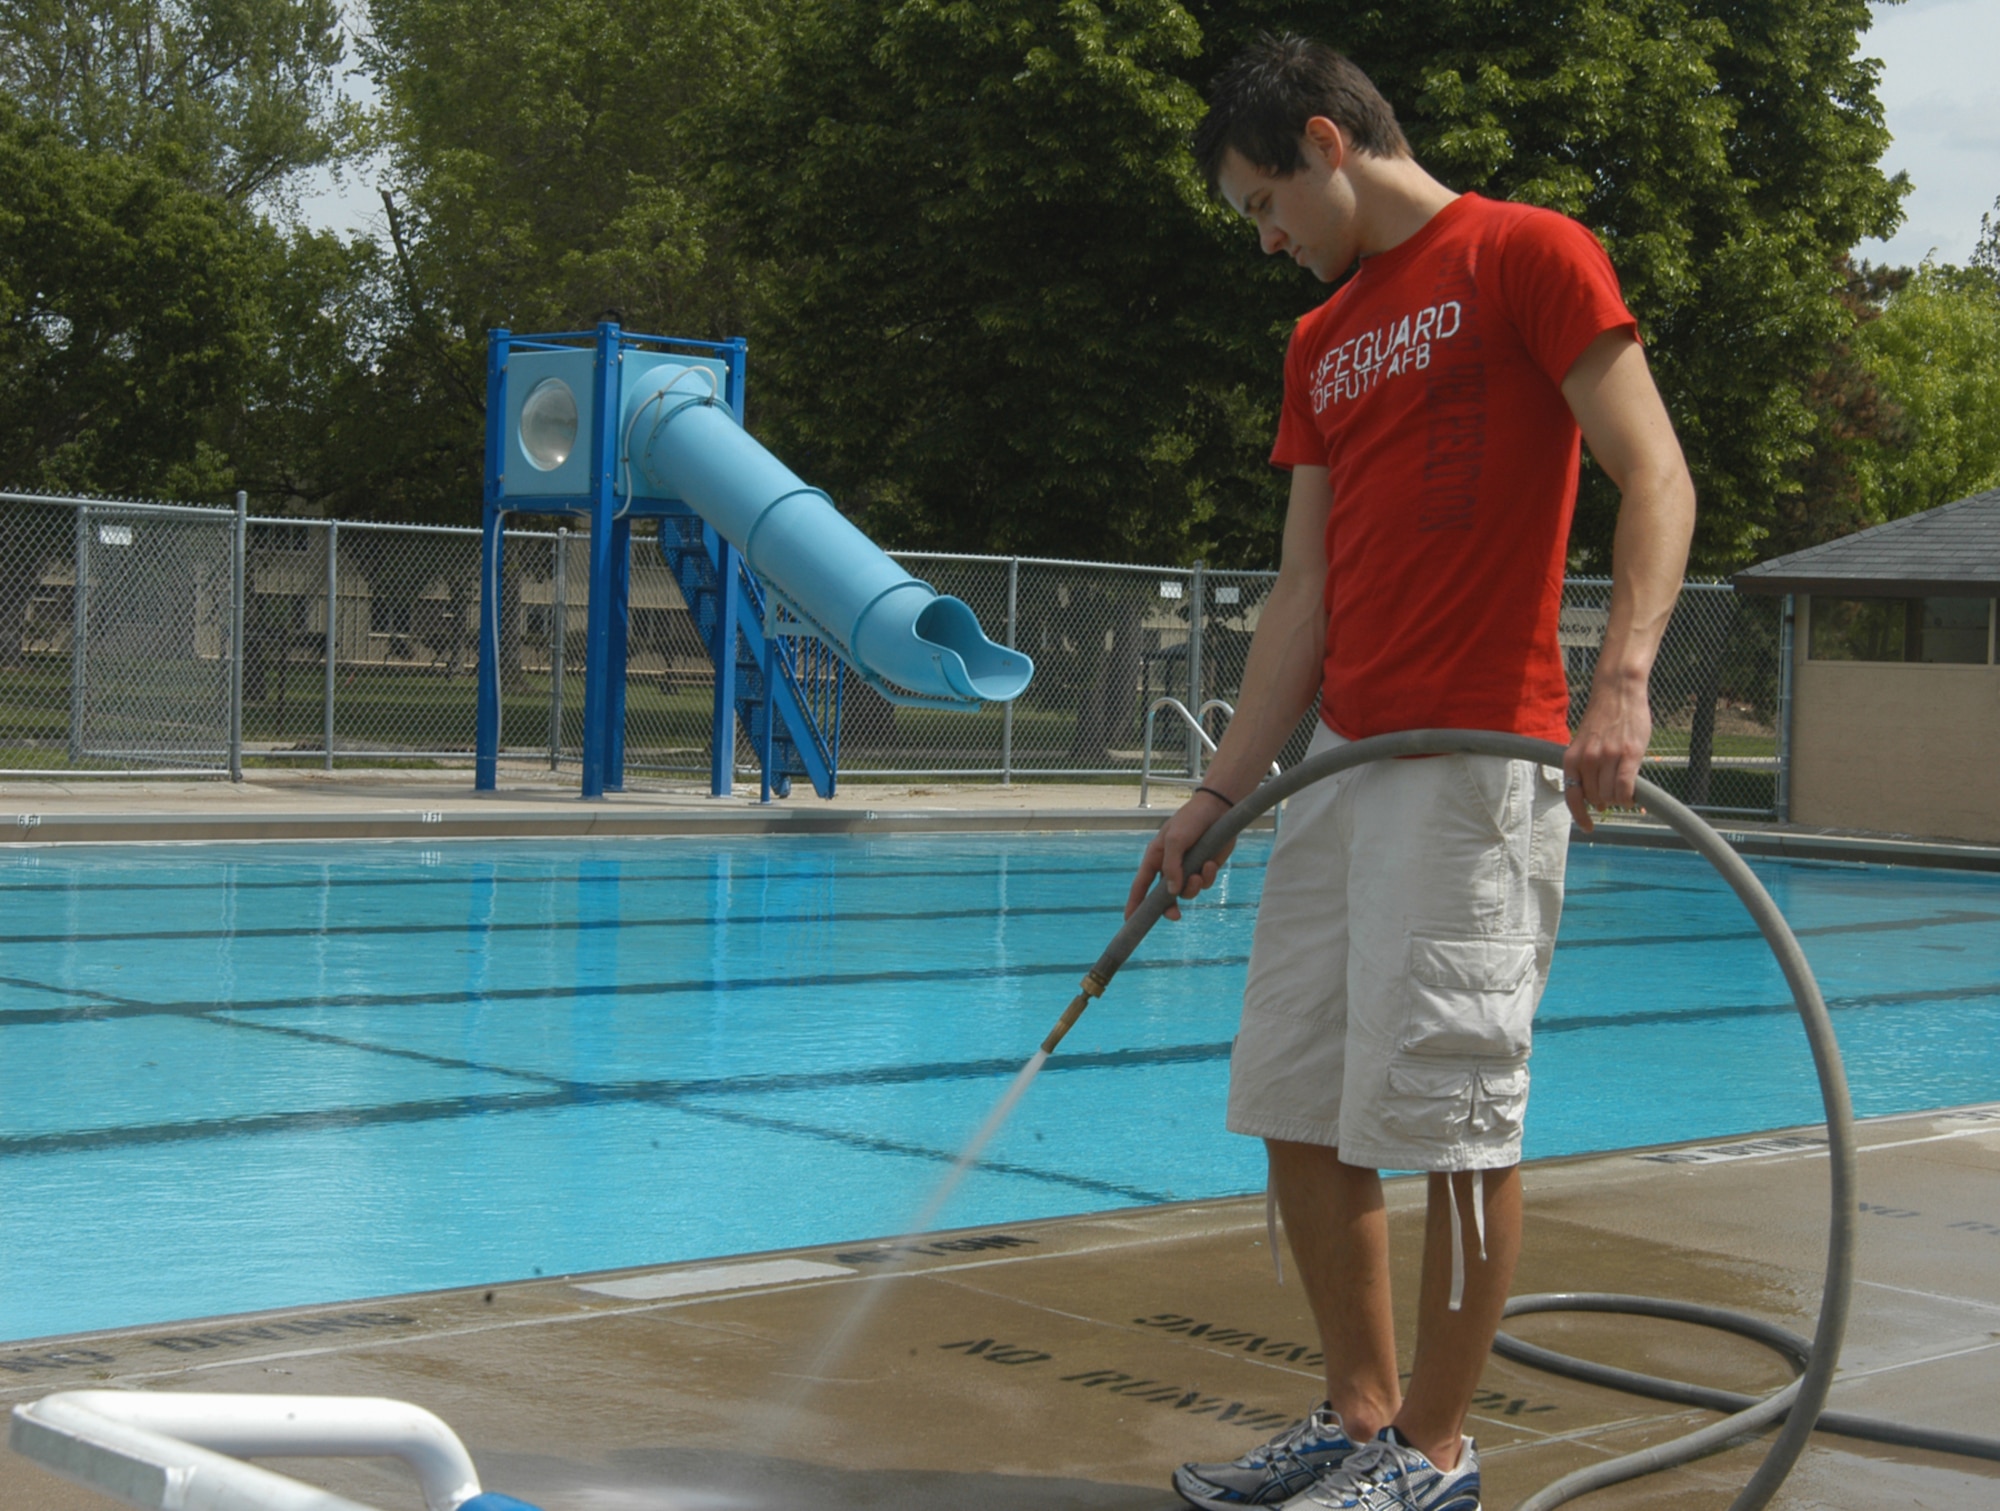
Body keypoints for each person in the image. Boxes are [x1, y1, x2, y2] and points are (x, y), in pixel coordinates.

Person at [1127, 34, 1696, 1511]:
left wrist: (1623, 678)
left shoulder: (1526, 253)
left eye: (1264, 204)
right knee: (1298, 1100)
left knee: (1449, 1118)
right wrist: (1215, 797)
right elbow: (1301, 595)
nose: (1264, 241)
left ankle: (1436, 1460)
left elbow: (1656, 473)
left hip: (1475, 759)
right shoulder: (1321, 341)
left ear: (1326, 144)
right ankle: (1362, 1421)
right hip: (1333, 770)